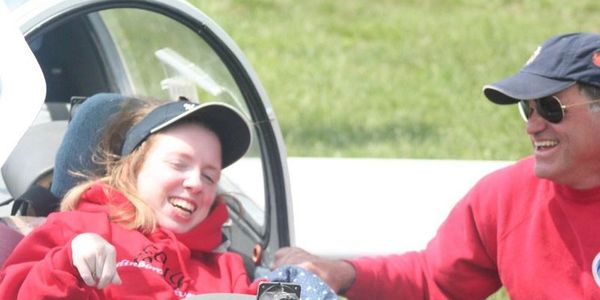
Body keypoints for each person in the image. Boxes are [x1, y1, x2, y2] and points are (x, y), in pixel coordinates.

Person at [272, 32, 600, 299]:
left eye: (550, 107)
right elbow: (434, 280)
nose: (533, 126)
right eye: (527, 110)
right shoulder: (506, 196)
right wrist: (342, 273)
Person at [0, 97, 336, 299]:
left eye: (209, 176)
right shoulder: (71, 231)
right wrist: (67, 263)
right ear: (132, 167)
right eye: (179, 164)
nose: (195, 184)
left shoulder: (230, 269)